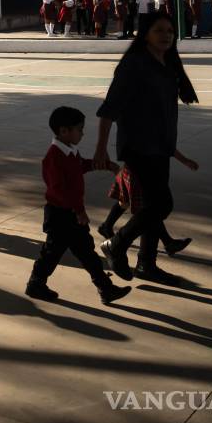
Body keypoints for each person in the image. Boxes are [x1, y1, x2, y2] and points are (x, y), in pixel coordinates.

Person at [95, 12, 200, 286]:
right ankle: (115, 244)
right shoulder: (134, 64)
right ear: (145, 34)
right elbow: (109, 109)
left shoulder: (167, 63)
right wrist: (101, 149)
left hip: (160, 147)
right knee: (162, 204)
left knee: (154, 206)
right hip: (137, 145)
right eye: (159, 30)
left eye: (170, 30)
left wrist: (174, 151)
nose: (166, 35)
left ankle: (146, 264)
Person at [25, 106, 132, 305]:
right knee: (52, 253)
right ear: (64, 131)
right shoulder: (54, 157)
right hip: (61, 215)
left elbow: (80, 165)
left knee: (85, 252)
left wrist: (105, 165)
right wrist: (79, 211)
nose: (82, 133)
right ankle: (36, 284)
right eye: (79, 129)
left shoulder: (69, 151)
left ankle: (105, 288)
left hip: (71, 214)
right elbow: (60, 191)